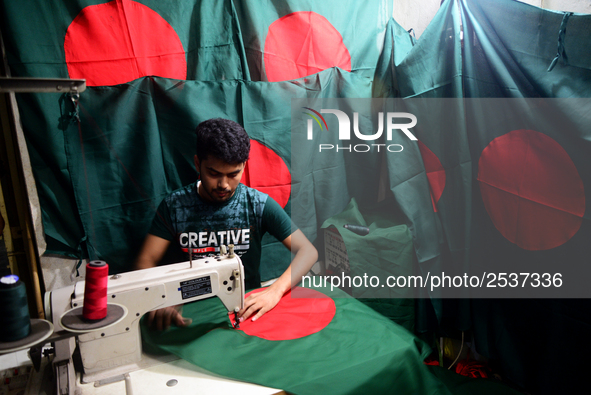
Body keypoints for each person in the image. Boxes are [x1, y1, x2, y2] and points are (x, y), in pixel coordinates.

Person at [135, 118, 318, 330]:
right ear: (197, 164)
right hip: (190, 313)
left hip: (244, 311)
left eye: (233, 174)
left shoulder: (257, 204)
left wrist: (274, 291)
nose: (224, 185)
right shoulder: (175, 206)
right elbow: (145, 261)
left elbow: (308, 251)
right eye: (214, 174)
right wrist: (160, 299)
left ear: (244, 166)